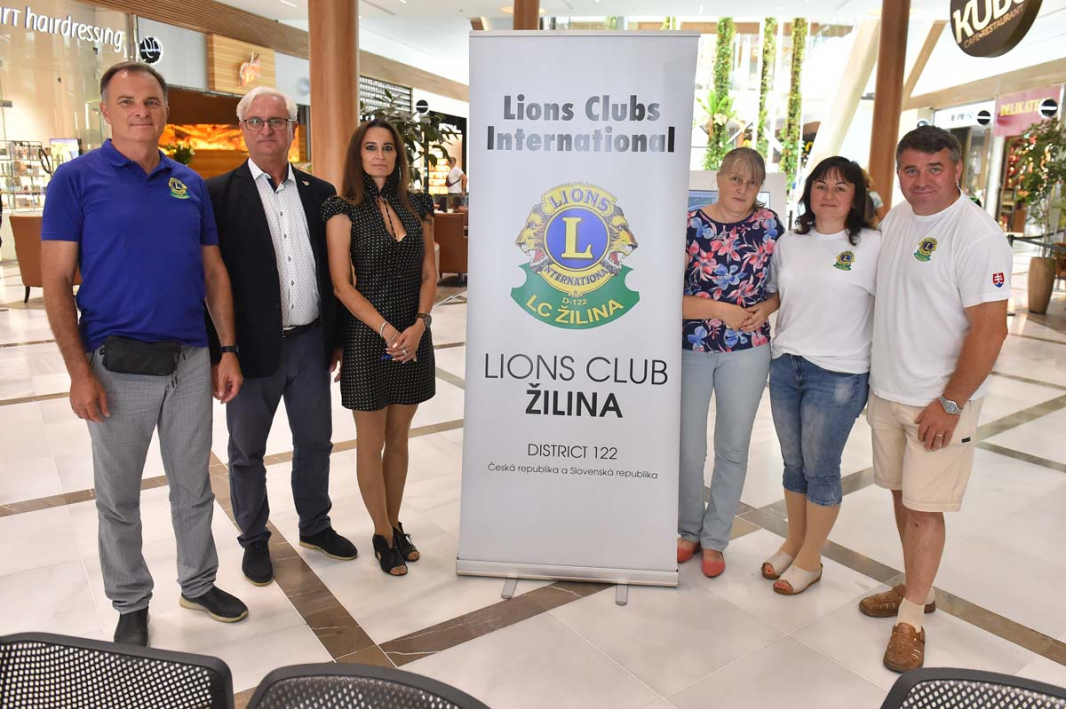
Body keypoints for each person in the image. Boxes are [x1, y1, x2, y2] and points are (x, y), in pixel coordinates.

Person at [40, 61, 248, 647]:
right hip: (116, 364)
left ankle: (198, 582)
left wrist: (226, 349)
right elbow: (55, 281)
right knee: (119, 496)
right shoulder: (75, 180)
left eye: (151, 101)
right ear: (105, 111)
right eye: (127, 101)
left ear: (165, 111)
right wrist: (78, 373)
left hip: (189, 361)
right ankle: (130, 601)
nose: (141, 111)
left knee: (194, 485)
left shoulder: (188, 183)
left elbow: (213, 272)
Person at [859, 125, 1011, 672]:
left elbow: (990, 330)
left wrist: (950, 403)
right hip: (889, 392)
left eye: (934, 169)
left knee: (925, 511)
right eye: (911, 170)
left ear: (957, 170)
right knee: (903, 498)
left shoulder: (977, 235)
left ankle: (911, 620)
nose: (921, 180)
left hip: (939, 403)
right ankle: (915, 589)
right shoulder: (898, 218)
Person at [206, 86, 356, 587]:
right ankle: (254, 539)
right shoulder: (217, 195)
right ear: (242, 129)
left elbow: (335, 273)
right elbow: (209, 280)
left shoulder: (320, 193)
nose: (267, 129)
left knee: (315, 440)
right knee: (246, 450)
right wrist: (221, 352)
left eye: (277, 121)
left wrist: (336, 338)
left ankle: (315, 525)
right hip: (249, 349)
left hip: (310, 341)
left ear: (293, 129)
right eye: (257, 121)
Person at [757, 156, 881, 595]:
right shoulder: (790, 241)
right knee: (794, 465)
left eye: (840, 187)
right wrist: (759, 311)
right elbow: (778, 293)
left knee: (821, 469)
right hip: (787, 364)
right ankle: (793, 543)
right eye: (821, 186)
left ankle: (810, 560)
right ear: (809, 191)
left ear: (855, 197)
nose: (829, 195)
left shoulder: (873, 245)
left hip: (839, 373)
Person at [323, 119, 437, 576]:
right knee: (370, 443)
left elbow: (429, 273)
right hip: (369, 339)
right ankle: (382, 533)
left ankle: (395, 521)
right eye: (371, 148)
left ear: (398, 156)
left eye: (388, 148)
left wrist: (420, 325)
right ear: (358, 154)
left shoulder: (419, 205)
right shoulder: (341, 208)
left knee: (399, 439)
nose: (380, 156)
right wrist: (389, 331)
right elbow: (341, 285)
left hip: (414, 335)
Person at [678, 147, 783, 578]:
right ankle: (688, 529)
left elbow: (780, 288)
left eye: (752, 182)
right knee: (687, 447)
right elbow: (667, 297)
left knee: (733, 447)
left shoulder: (769, 226)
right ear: (718, 178)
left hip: (748, 350)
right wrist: (721, 310)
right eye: (735, 178)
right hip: (691, 348)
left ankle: (716, 537)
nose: (742, 189)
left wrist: (767, 307)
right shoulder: (689, 225)